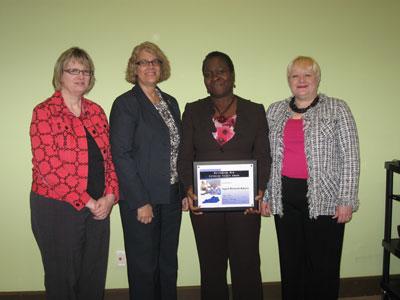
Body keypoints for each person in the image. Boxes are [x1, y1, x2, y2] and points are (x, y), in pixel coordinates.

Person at [263, 56, 360, 300]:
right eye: (295, 75)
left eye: (307, 74)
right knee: (291, 263)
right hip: (285, 200)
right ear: (289, 81)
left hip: (325, 200)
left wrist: (346, 198)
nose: (302, 80)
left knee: (323, 265)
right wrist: (266, 194)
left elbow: (351, 156)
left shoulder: (337, 108)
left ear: (317, 78)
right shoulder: (274, 110)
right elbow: (267, 157)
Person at [178, 51, 271, 300]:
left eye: (220, 71)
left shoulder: (255, 110)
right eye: (208, 73)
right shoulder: (193, 110)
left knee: (247, 265)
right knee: (211, 268)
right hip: (206, 204)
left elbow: (263, 155)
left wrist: (259, 190)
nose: (214, 76)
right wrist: (188, 187)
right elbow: (184, 156)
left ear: (232, 75)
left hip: (245, 205)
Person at [29, 47, 119, 300]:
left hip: (99, 206)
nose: (81, 76)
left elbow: (109, 159)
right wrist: (89, 201)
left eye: (86, 71)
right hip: (57, 207)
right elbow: (49, 168)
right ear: (60, 75)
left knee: (93, 273)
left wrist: (110, 196)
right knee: (62, 276)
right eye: (73, 70)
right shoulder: (44, 112)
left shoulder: (97, 112)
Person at [110, 41, 183, 300]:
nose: (150, 66)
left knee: (167, 263)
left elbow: (178, 150)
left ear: (161, 66)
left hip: (171, 196)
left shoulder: (171, 102)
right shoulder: (126, 104)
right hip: (143, 199)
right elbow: (121, 155)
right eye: (143, 62)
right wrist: (140, 201)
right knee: (144, 267)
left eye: (155, 61)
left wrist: (184, 189)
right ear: (135, 67)